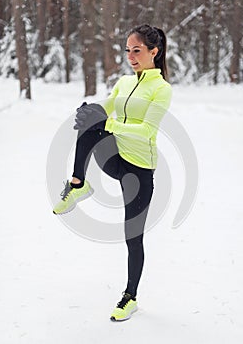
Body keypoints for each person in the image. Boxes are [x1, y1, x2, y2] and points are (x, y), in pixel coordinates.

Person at [53, 24, 172, 321]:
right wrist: (90, 111)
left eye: (137, 50)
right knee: (90, 123)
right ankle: (78, 183)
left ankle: (130, 296)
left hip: (139, 173)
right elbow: (105, 111)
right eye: (128, 50)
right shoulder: (123, 82)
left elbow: (146, 131)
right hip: (117, 159)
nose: (130, 56)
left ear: (153, 52)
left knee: (133, 236)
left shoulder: (161, 88)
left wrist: (110, 125)